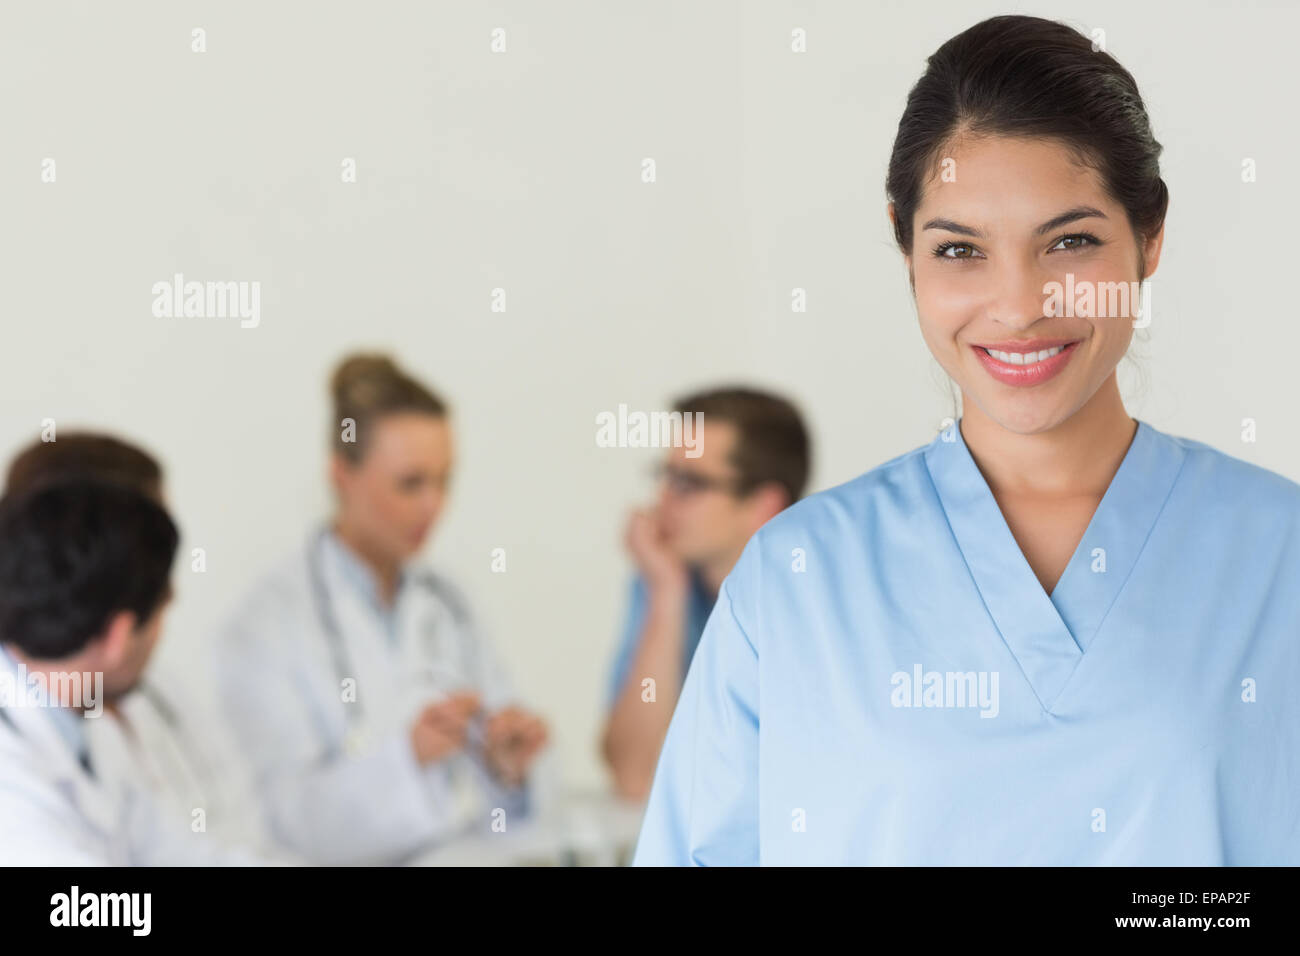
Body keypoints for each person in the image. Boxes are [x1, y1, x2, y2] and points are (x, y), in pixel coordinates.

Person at [634, 14, 1300, 865]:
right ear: (906, 249)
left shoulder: (1278, 551)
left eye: (1071, 241)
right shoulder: (796, 578)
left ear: (1152, 237)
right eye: (960, 249)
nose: (1019, 306)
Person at [216, 353, 549, 865]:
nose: (433, 506)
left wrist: (507, 763)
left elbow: (497, 808)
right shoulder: (267, 623)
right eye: (411, 483)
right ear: (342, 474)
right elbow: (282, 818)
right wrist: (408, 759)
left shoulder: (449, 603)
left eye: (445, 481)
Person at [0, 478, 258, 865]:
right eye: (161, 613)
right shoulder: (15, 798)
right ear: (119, 636)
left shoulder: (85, 723)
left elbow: (185, 857)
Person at [601, 388, 810, 800]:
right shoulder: (667, 582)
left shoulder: (816, 600)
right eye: (664, 476)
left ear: (763, 505)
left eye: (689, 483)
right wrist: (667, 593)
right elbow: (636, 777)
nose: (662, 499)